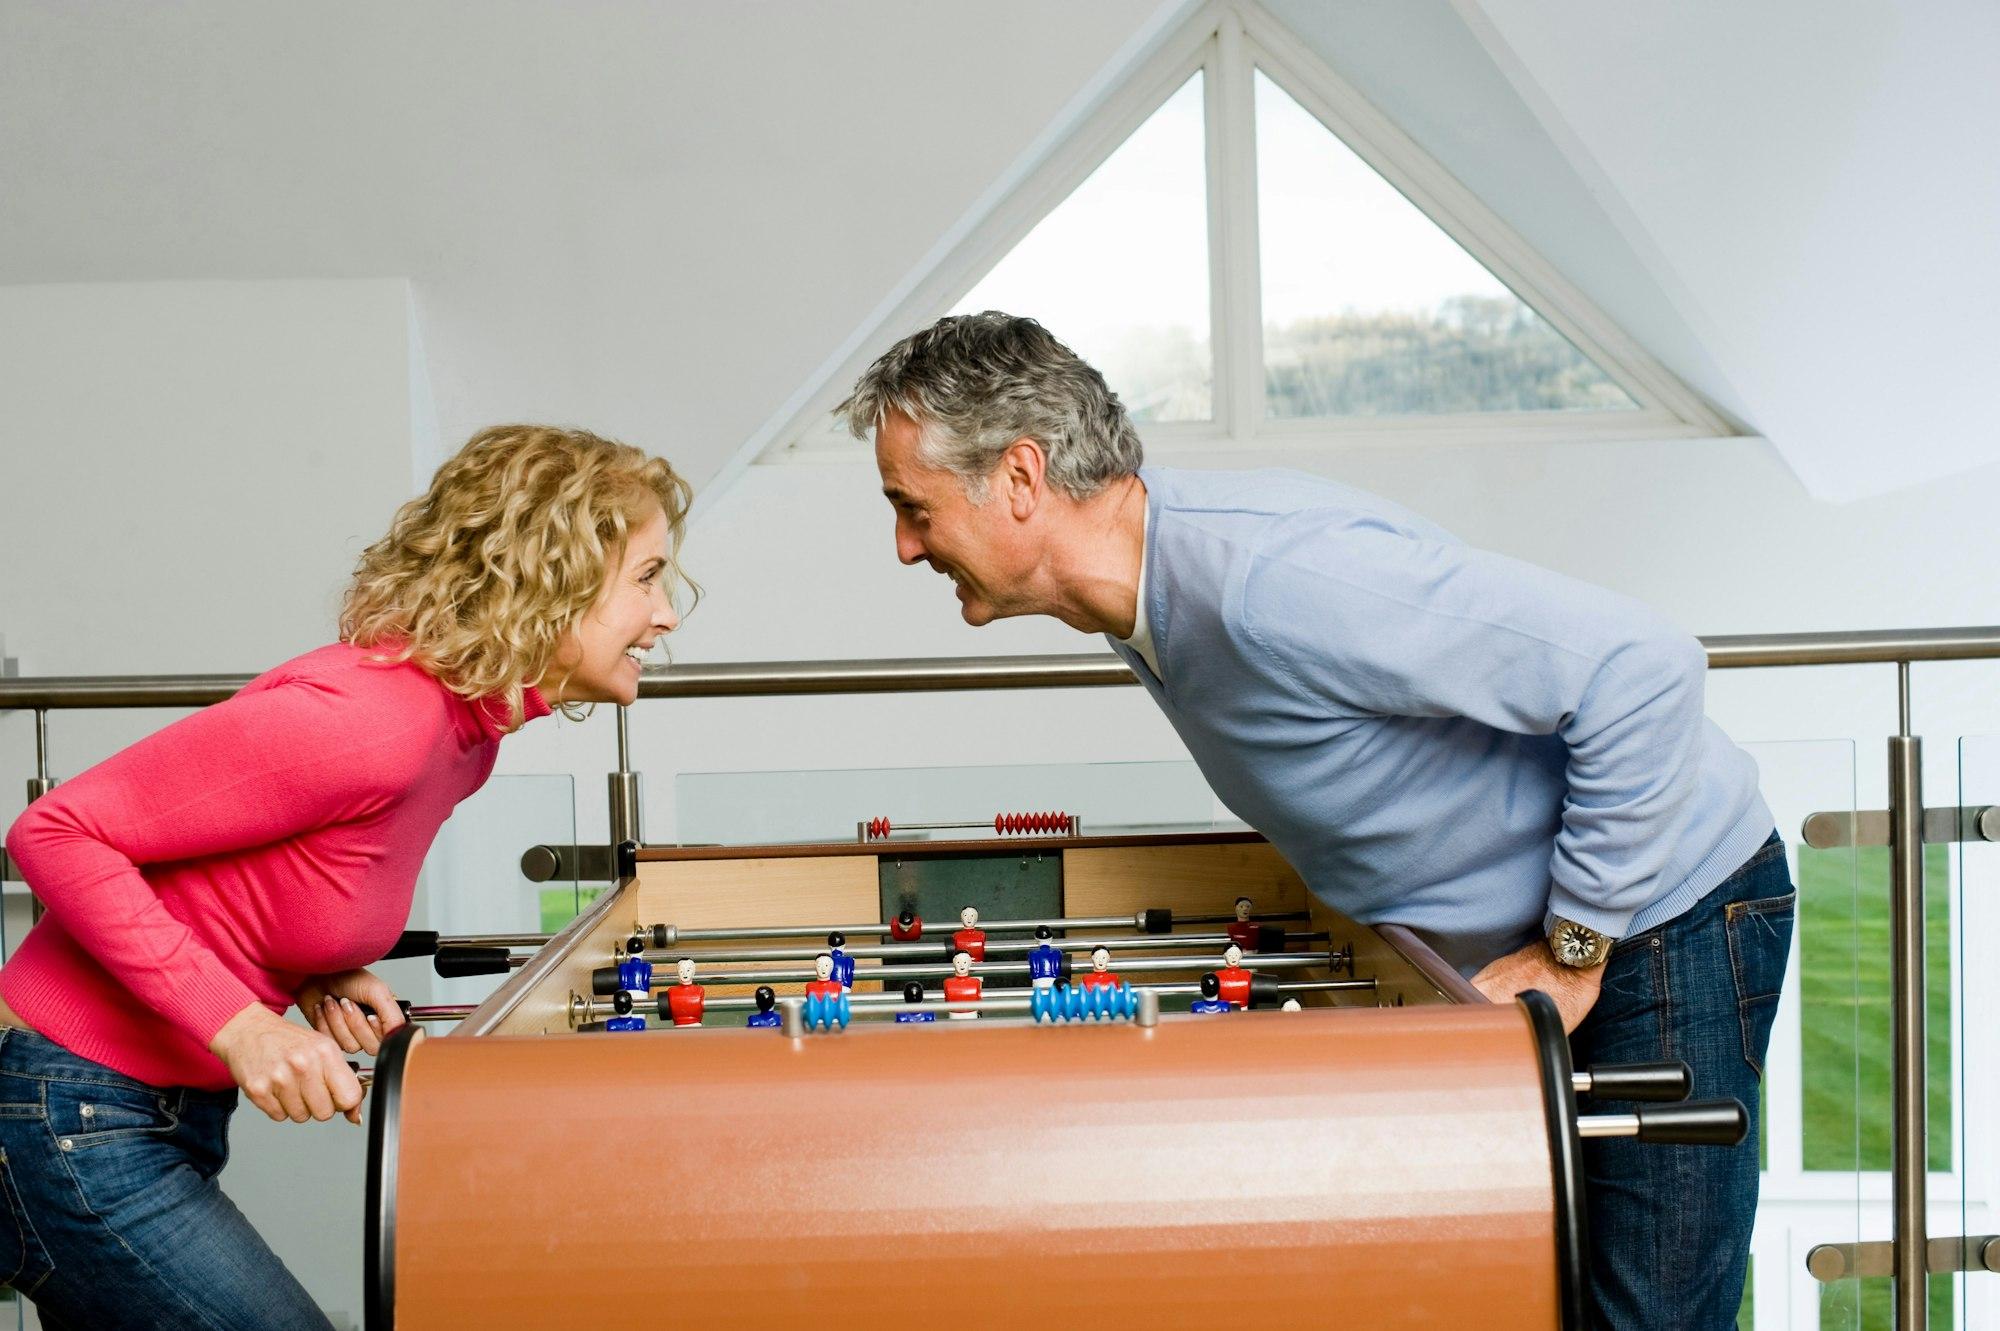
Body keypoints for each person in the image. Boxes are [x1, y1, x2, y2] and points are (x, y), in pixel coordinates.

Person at [840, 312, 1791, 1330]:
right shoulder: (1136, 593)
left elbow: (1638, 667)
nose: (904, 544)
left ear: (1020, 478)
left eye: (912, 505)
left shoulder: (1269, 581)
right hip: (1523, 950)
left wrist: (1572, 947)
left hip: (1665, 911)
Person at [0, 424, 693, 1330]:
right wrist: (243, 1025)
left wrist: (314, 960)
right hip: (65, 1110)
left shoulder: (465, 735)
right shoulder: (370, 721)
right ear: (547, 577)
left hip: (144, 1111)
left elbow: (254, 862)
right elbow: (56, 831)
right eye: (645, 578)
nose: (668, 613)